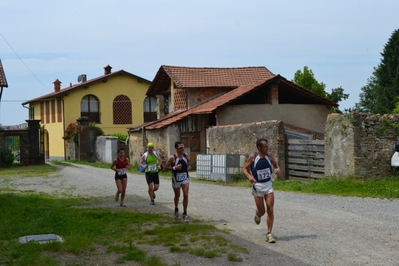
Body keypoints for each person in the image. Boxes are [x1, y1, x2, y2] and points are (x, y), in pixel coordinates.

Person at [242, 138, 281, 243]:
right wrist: (249, 176)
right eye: (265, 147)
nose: (267, 148)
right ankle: (258, 214)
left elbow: (276, 166)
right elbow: (244, 169)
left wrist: (277, 169)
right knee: (262, 211)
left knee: (270, 209)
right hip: (257, 186)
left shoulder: (270, 156)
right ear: (259, 147)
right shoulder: (253, 157)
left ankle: (269, 234)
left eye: (267, 146)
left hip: (268, 185)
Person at [165, 141, 192, 222]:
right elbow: (166, 168)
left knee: (186, 195)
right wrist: (174, 168)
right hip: (176, 179)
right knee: (177, 195)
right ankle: (176, 209)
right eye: (180, 148)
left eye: (183, 147)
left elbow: (189, 162)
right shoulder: (172, 158)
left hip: (185, 178)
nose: (182, 149)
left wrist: (189, 166)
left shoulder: (185, 155)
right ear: (176, 148)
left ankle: (185, 213)